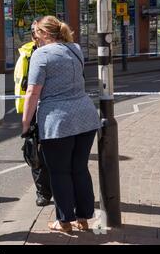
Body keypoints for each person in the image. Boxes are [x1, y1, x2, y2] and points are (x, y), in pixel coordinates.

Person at [21, 16, 101, 233]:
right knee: (80, 168)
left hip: (58, 122)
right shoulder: (75, 48)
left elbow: (33, 92)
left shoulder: (41, 54)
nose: (34, 37)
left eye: (36, 32)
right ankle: (83, 218)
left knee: (59, 172)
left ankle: (64, 221)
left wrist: (25, 123)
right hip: (86, 118)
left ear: (46, 34)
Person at [14, 18, 52, 207]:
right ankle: (42, 192)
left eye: (39, 33)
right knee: (34, 152)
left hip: (53, 108)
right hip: (35, 109)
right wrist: (25, 117)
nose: (36, 37)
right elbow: (22, 83)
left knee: (53, 152)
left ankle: (55, 188)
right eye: (34, 33)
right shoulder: (27, 54)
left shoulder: (55, 51)